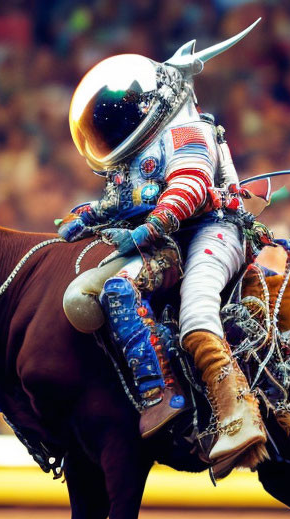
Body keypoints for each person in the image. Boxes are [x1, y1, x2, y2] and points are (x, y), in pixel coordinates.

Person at [58, 21, 266, 473]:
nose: (117, 119)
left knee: (196, 312)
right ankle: (162, 394)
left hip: (213, 229)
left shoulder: (188, 132)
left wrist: (147, 229)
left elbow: (189, 188)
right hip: (167, 241)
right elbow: (118, 200)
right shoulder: (134, 156)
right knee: (117, 291)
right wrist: (87, 217)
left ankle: (237, 415)